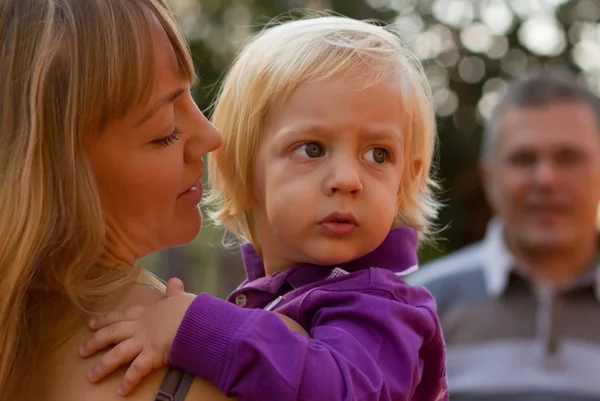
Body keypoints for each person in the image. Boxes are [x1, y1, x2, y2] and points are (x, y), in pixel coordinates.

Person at [78, 15, 449, 401]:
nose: (348, 179)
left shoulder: (379, 305)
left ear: (406, 178)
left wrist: (196, 328)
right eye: (313, 149)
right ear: (239, 170)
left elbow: (341, 390)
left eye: (378, 154)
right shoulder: (284, 293)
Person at [0, 0, 308, 400]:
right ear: (52, 176)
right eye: (164, 129)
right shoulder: (273, 366)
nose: (211, 137)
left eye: (189, 97)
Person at [408, 69, 600, 401]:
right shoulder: (418, 308)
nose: (546, 179)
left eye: (568, 158)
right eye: (523, 159)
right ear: (489, 178)